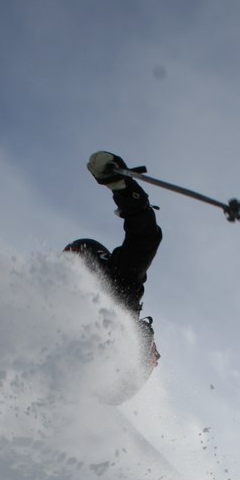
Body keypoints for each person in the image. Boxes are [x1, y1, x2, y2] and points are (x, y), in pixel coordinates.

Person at [64, 151, 163, 378]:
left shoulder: (118, 280)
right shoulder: (48, 301)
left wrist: (124, 188)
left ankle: (139, 352)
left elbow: (144, 238)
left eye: (74, 270)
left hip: (118, 366)